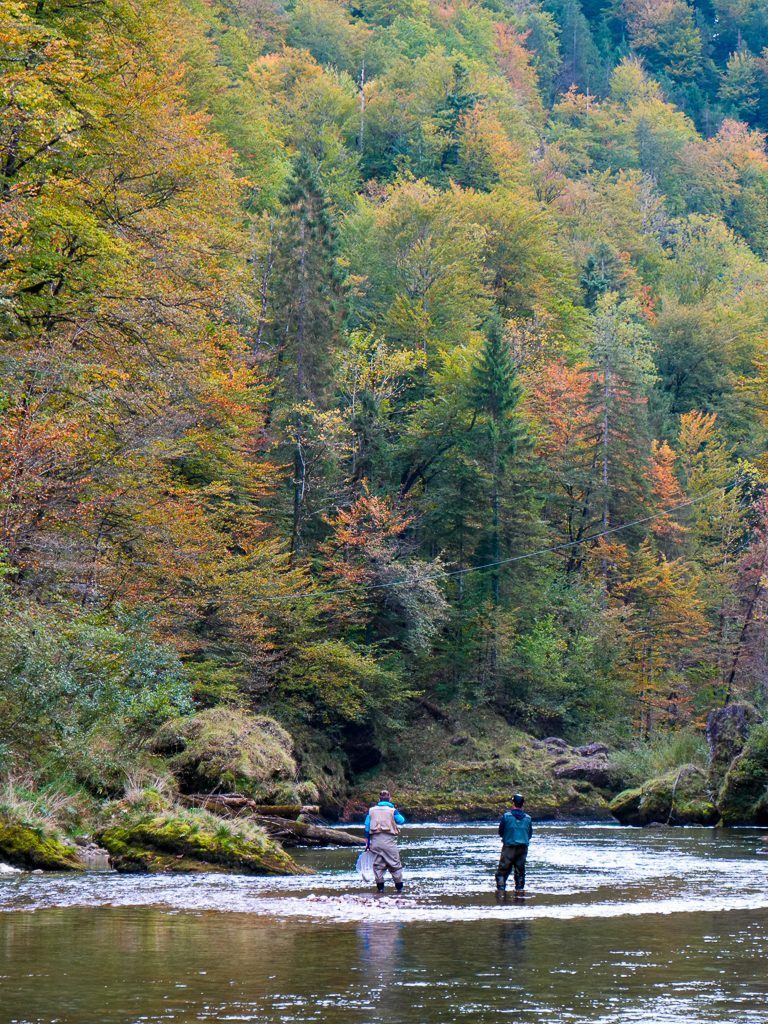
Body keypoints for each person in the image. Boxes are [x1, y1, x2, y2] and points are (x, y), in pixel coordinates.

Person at [364, 789, 406, 893]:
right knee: (395, 865)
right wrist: (394, 810)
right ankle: (400, 890)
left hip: (376, 843)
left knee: (378, 866)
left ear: (379, 799)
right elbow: (401, 821)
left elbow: (367, 827)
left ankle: (380, 890)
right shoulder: (392, 811)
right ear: (389, 799)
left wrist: (367, 844)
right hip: (389, 843)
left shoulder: (371, 811)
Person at [495, 793, 532, 893]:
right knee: (520, 872)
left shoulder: (506, 817)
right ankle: (520, 893)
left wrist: (508, 838)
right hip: (523, 848)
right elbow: (529, 834)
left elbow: (500, 832)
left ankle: (501, 893)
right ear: (523, 804)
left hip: (509, 847)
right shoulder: (528, 818)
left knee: (502, 871)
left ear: (513, 803)